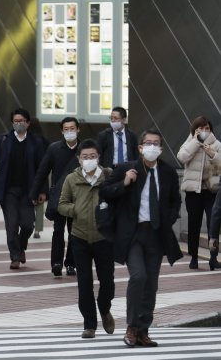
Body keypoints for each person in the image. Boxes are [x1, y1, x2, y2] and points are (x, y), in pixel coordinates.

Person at [100, 129, 183, 348]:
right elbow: (105, 191)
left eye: (156, 143)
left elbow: (176, 201)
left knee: (151, 284)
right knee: (138, 276)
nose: (152, 147)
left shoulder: (167, 172)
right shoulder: (128, 168)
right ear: (140, 147)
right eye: (148, 143)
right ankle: (131, 326)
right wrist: (124, 183)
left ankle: (143, 330)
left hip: (155, 233)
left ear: (162, 148)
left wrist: (168, 219)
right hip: (133, 233)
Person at [58, 139, 115, 339]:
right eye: (85, 157)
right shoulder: (71, 179)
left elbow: (118, 199)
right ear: (78, 159)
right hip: (79, 236)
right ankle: (89, 323)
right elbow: (62, 204)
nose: (89, 160)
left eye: (92, 156)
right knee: (84, 282)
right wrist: (76, 210)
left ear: (98, 157)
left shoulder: (108, 177)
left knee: (107, 282)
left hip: (103, 237)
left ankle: (104, 307)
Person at [0, 108, 46, 270]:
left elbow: (42, 169)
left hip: (28, 191)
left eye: (21, 121)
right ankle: (15, 256)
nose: (18, 124)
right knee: (12, 225)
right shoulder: (4, 140)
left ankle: (21, 246)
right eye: (15, 121)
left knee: (27, 225)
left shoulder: (36, 142)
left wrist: (42, 191)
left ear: (28, 123)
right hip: (8, 191)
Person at [32, 117, 80, 277]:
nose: (69, 132)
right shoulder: (54, 148)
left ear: (78, 129)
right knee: (58, 230)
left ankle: (71, 263)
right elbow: (42, 171)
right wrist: (35, 192)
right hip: (59, 196)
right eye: (66, 129)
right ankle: (56, 263)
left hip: (79, 197)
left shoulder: (84, 150)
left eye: (72, 128)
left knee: (74, 231)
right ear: (62, 131)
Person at [177, 116, 221, 270]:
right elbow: (181, 157)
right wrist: (196, 141)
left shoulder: (216, 144)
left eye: (207, 128)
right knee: (193, 225)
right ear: (195, 130)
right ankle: (193, 258)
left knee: (213, 225)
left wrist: (213, 154)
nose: (204, 131)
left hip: (211, 191)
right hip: (193, 192)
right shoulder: (190, 142)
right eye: (200, 128)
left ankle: (213, 258)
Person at [28, 118, 49, 239]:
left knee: (30, 201)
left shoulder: (29, 140)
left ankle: (30, 223)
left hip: (29, 175)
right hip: (42, 174)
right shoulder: (44, 140)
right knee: (40, 203)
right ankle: (38, 229)